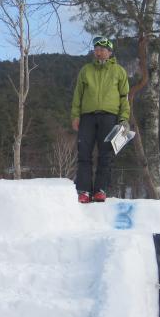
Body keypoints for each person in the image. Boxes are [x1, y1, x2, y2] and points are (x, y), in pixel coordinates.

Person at [70, 36, 130, 203]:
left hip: (110, 117)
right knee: (84, 153)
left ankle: (100, 190)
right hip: (87, 117)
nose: (98, 52)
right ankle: (84, 191)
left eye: (102, 50)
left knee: (106, 155)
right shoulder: (86, 70)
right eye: (96, 49)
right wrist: (75, 116)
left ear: (110, 52)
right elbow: (77, 95)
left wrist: (124, 119)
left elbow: (124, 97)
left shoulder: (119, 71)